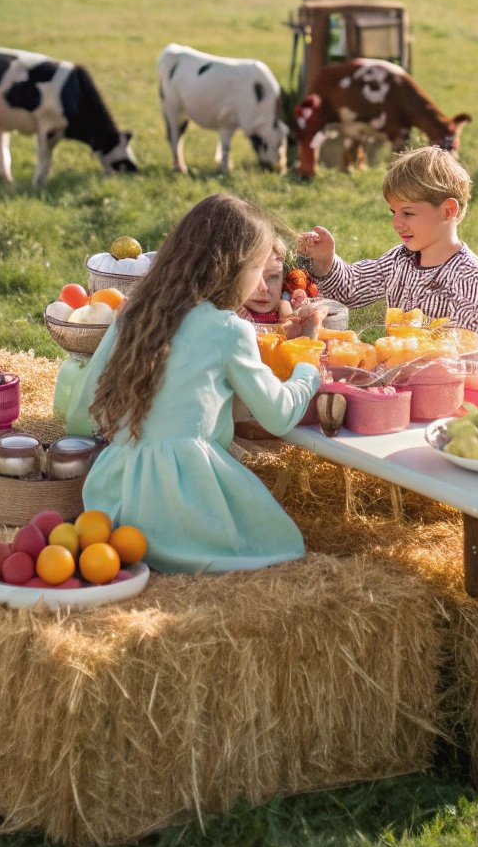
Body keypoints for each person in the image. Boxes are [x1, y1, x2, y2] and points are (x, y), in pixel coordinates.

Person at [74, 194, 322, 574]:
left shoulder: (135, 314)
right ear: (234, 269)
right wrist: (307, 366)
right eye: (258, 268)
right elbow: (278, 415)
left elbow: (82, 409)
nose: (260, 282)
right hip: (184, 508)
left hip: (116, 501)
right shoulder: (228, 329)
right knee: (283, 545)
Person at [299, 146, 478, 368]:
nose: (396, 223)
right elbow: (351, 288)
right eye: (393, 212)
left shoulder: (466, 273)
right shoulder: (399, 259)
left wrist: (428, 362)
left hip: (462, 378)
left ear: (447, 211)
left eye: (407, 212)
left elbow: (467, 346)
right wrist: (325, 260)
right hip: (405, 369)